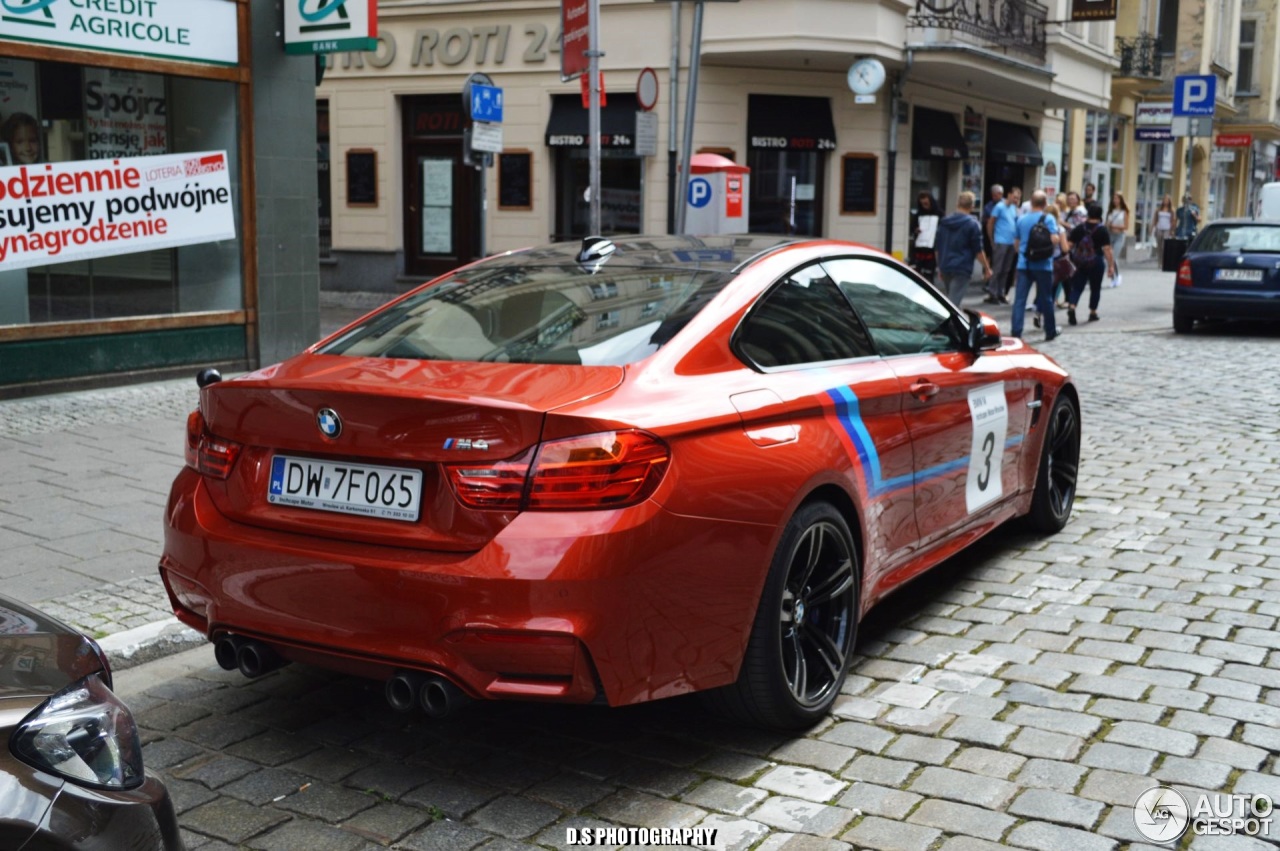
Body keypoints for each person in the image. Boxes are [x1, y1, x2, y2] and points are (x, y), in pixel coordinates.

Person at [1011, 190, 1061, 341]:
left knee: (1020, 299)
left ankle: (1016, 331)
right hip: (1043, 265)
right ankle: (1050, 331)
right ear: (1045, 203)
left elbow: (1016, 244)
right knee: (1046, 298)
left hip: (1024, 264)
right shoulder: (1049, 218)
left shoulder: (1021, 219)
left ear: (1031, 203)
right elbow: (1054, 239)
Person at [935, 191, 993, 305]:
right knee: (953, 303)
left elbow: (937, 247)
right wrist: (987, 268)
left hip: (946, 265)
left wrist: (939, 266)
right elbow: (978, 250)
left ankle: (953, 321)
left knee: (951, 299)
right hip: (962, 267)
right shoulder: (973, 224)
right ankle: (950, 322)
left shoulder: (944, 222)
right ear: (972, 206)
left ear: (958, 204)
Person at [1064, 202, 1118, 325]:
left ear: (1088, 214)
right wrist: (1111, 266)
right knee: (1095, 288)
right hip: (1096, 261)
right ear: (1100, 215)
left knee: (1077, 286)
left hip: (1080, 262)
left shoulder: (1079, 228)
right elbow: (1107, 249)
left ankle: (1072, 306)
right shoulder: (1102, 230)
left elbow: (1069, 246)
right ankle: (1093, 312)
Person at [985, 186, 1021, 303]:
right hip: (1001, 240)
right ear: (1009, 194)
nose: (1016, 200)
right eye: (1014, 197)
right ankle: (992, 292)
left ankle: (1001, 292)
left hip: (1011, 242)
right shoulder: (1000, 206)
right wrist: (992, 239)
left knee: (1006, 269)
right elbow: (991, 222)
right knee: (997, 268)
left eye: (1018, 198)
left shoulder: (1013, 208)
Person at [909, 192, 941, 282]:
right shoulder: (918, 214)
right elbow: (912, 228)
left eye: (926, 203)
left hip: (932, 248)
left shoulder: (939, 213)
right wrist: (916, 230)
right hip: (920, 246)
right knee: (917, 272)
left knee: (929, 273)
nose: (924, 206)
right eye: (922, 204)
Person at [1106, 191, 1130, 265]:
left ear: (1121, 200)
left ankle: (1115, 274)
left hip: (1119, 235)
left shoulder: (1124, 212)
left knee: (1114, 256)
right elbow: (1106, 223)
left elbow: (1126, 227)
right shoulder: (1110, 211)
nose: (1115, 200)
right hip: (1110, 234)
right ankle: (1112, 272)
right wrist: (1107, 225)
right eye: (1114, 199)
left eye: (1117, 199)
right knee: (1108, 256)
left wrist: (1114, 226)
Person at [982, 184, 1004, 261]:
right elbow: (984, 220)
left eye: (996, 195)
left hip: (1003, 235)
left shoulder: (1007, 204)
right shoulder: (988, 206)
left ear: (1001, 194)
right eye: (993, 195)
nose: (994, 197)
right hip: (992, 233)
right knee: (989, 253)